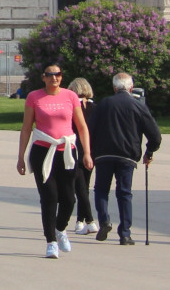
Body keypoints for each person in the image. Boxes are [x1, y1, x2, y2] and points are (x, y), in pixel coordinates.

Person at [16, 61, 94, 259]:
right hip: (43, 151)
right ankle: (50, 241)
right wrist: (21, 157)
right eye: (49, 74)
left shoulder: (71, 96)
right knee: (49, 198)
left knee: (69, 199)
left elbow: (82, 127)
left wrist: (86, 153)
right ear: (43, 77)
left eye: (57, 74)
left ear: (62, 76)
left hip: (66, 151)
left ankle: (60, 229)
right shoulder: (35, 97)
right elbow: (26, 128)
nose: (54, 78)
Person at [87, 72, 162, 244]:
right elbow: (155, 135)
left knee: (101, 190)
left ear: (114, 87)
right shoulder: (138, 106)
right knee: (125, 193)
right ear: (131, 87)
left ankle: (104, 220)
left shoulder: (104, 104)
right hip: (127, 156)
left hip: (104, 154)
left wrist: (89, 152)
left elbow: (89, 129)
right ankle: (125, 233)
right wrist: (149, 152)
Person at [66, 77, 97, 233]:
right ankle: (81, 219)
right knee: (84, 185)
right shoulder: (95, 108)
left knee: (79, 188)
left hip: (76, 149)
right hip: (92, 150)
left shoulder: (72, 106)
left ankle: (89, 220)